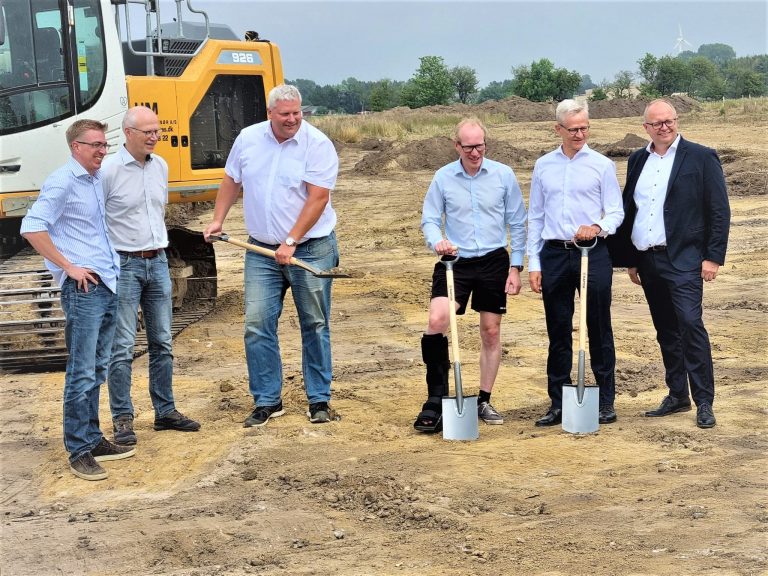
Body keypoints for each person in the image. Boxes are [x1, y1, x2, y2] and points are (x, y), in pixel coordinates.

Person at [203, 84, 340, 426]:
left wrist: (292, 240)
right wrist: (218, 219)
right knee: (256, 324)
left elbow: (318, 198)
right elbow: (231, 180)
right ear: (270, 114)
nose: (293, 119)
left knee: (315, 323)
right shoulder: (248, 140)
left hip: (311, 246)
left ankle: (319, 400)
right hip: (261, 249)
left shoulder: (318, 145)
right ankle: (267, 400)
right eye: (285, 114)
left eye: (297, 112)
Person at [20, 119, 135, 481]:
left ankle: (93, 436)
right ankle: (78, 449)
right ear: (76, 147)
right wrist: (68, 267)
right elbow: (31, 227)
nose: (103, 151)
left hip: (106, 282)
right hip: (83, 289)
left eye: (105, 144)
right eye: (96, 145)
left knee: (98, 368)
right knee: (82, 371)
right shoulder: (62, 181)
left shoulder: (95, 180)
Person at [608, 99, 730, 429]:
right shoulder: (637, 159)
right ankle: (677, 395)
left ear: (677, 121)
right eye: (657, 123)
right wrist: (630, 259)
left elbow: (719, 210)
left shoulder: (701, 157)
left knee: (691, 325)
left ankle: (704, 400)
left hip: (686, 259)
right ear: (646, 127)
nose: (665, 127)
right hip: (648, 261)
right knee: (666, 330)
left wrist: (713, 257)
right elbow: (631, 209)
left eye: (670, 121)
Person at [414, 118, 527, 433]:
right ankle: (436, 399)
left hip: (494, 261)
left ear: (485, 144)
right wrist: (437, 240)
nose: (475, 152)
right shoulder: (443, 177)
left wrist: (515, 266)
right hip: (455, 261)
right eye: (468, 147)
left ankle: (484, 399)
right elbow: (430, 219)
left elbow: (518, 222)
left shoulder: (503, 175)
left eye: (479, 146)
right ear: (456, 146)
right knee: (437, 320)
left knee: (490, 331)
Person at [102, 106, 201, 446]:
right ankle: (122, 418)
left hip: (157, 261)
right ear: (128, 133)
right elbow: (96, 220)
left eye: (157, 131)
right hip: (123, 265)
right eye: (148, 132)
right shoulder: (108, 171)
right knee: (123, 345)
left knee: (162, 341)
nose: (155, 136)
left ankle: (165, 412)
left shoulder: (160, 166)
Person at [527, 99, 624, 427]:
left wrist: (596, 227)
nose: (580, 133)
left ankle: (605, 401)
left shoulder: (601, 165)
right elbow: (535, 215)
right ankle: (558, 402)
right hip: (554, 254)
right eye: (573, 129)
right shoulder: (543, 165)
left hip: (593, 252)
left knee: (598, 326)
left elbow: (615, 210)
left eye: (584, 127)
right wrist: (534, 263)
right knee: (558, 329)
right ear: (558, 129)